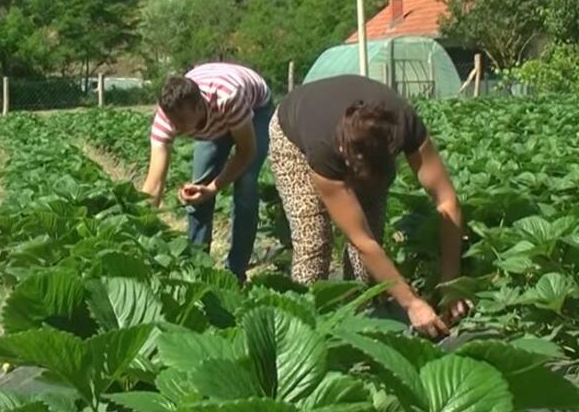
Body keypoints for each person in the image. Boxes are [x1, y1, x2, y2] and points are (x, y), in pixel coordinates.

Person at [269, 74, 469, 337]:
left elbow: (447, 202)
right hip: (292, 133)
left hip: (359, 140)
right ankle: (303, 330)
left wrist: (451, 282)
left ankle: (359, 323)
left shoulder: (404, 125)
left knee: (371, 243)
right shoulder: (325, 150)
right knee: (313, 239)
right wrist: (411, 302)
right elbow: (359, 240)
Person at [141, 62, 274, 281]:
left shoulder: (228, 98)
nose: (177, 127)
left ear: (199, 106)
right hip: (214, 121)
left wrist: (213, 188)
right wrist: (138, 225)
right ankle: (196, 270)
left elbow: (246, 152)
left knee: (246, 183)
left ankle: (235, 273)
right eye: (173, 121)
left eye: (182, 121)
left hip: (256, 107)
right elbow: (154, 184)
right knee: (197, 191)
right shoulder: (168, 118)